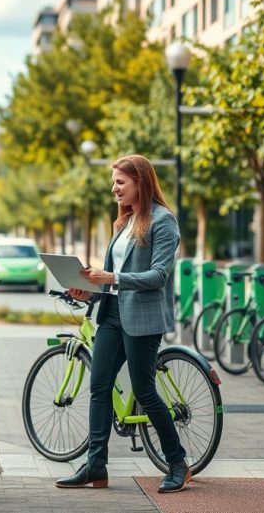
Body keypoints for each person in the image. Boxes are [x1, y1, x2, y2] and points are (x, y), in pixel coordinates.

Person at [54, 154, 190, 493]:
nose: (114, 188)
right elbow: (110, 282)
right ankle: (96, 467)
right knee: (99, 387)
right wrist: (88, 291)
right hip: (112, 314)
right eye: (113, 182)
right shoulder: (124, 223)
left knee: (144, 390)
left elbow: (158, 276)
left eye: (120, 182)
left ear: (140, 182)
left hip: (143, 319)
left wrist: (111, 276)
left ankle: (178, 463)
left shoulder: (163, 221)